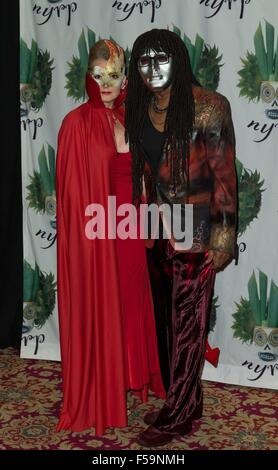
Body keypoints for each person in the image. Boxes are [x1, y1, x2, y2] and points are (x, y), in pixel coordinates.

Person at [125, 29, 237, 446]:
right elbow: (145, 171)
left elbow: (225, 176)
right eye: (143, 61)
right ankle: (185, 401)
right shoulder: (139, 109)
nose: (152, 69)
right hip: (157, 231)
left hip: (197, 231)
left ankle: (176, 417)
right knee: (166, 328)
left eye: (161, 58)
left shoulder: (209, 107)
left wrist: (223, 238)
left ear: (179, 60)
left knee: (188, 327)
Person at [56, 39, 165, 436]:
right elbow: (72, 200)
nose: (105, 82)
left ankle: (127, 376)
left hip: (130, 232)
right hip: (98, 238)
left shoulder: (132, 117)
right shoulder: (76, 123)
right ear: (88, 76)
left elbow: (144, 177)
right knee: (104, 308)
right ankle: (100, 386)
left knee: (132, 307)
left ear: (125, 80)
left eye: (114, 75)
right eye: (98, 74)